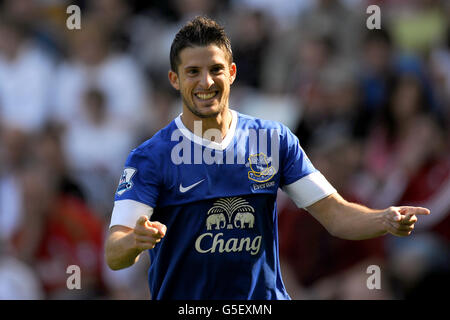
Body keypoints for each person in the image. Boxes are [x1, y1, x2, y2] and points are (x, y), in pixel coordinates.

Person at [105, 16, 430, 300]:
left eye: (215, 69)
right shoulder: (151, 157)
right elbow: (114, 252)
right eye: (193, 72)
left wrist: (384, 219)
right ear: (174, 79)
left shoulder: (272, 140)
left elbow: (336, 215)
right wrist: (136, 239)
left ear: (231, 73)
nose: (206, 82)